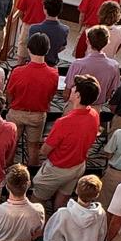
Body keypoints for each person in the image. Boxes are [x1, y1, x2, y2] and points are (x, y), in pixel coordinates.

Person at [32, 77, 102, 210]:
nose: (71, 88)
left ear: (78, 95)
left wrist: (44, 144)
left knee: (37, 202)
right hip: (78, 166)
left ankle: (40, 229)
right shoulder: (94, 114)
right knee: (62, 201)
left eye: (74, 87)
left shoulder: (64, 122)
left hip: (57, 169)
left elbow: (45, 150)